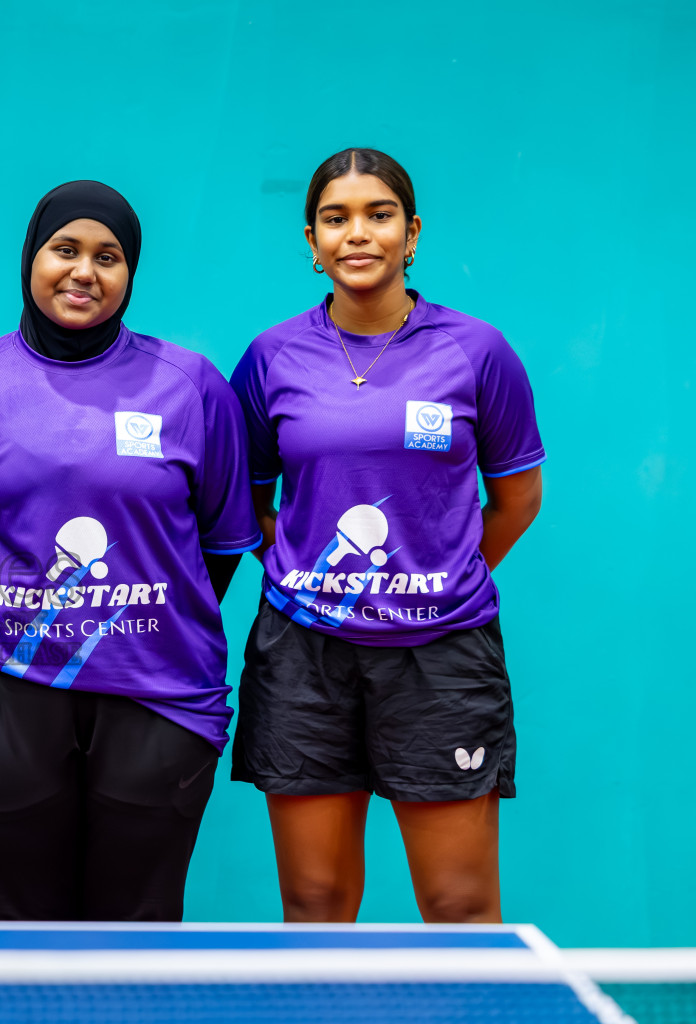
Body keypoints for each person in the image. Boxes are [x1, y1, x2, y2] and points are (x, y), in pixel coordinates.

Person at [0, 181, 260, 921]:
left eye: (108, 257)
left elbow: (219, 548)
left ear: (130, 271)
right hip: (5, 691)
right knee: (17, 928)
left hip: (158, 696)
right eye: (64, 250)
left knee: (137, 931)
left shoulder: (193, 386)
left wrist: (134, 615)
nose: (84, 272)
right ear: (30, 258)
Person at [229, 148, 545, 923]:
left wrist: (436, 575)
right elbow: (249, 502)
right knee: (314, 902)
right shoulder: (272, 357)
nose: (358, 233)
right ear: (312, 241)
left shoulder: (478, 351)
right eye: (336, 219)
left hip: (442, 656)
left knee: (461, 904)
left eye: (379, 214)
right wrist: (307, 571)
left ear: (412, 233)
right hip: (304, 655)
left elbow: (516, 500)